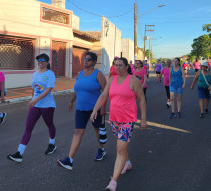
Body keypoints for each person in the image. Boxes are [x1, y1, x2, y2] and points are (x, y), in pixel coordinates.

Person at [90, 57, 147, 191]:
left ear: (127, 66)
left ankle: (113, 182)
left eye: (121, 65)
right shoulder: (112, 80)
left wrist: (143, 119)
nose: (118, 68)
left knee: (120, 149)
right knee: (121, 145)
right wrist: (95, 110)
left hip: (127, 120)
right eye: (116, 65)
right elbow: (104, 95)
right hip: (114, 119)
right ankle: (127, 163)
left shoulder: (133, 81)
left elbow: (142, 100)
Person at [57, 52, 107, 170]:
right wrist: (71, 101)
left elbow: (105, 93)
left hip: (95, 110)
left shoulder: (98, 74)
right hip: (80, 109)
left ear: (94, 62)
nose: (85, 61)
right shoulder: (80, 73)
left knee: (97, 130)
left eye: (88, 59)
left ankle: (101, 149)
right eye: (84, 59)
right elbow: (77, 89)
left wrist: (103, 109)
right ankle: (70, 159)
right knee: (78, 132)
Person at [7, 54, 57, 162]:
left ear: (48, 62)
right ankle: (19, 153)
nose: (40, 62)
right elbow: (33, 88)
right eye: (39, 60)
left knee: (49, 124)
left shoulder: (50, 74)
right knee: (28, 127)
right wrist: (32, 99)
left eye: (43, 60)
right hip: (35, 105)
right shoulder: (35, 74)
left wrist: (36, 100)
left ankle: (52, 144)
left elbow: (48, 89)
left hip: (47, 105)